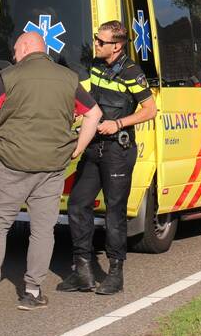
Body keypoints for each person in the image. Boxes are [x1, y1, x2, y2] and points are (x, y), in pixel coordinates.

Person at [0, 32, 102, 310]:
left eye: (15, 50)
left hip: (13, 163)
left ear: (26, 47)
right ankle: (33, 292)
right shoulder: (68, 78)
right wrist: (76, 148)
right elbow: (94, 114)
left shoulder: (11, 76)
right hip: (51, 166)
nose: (13, 55)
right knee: (42, 230)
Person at [59, 20, 157, 295]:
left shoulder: (131, 72)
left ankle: (115, 273)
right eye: (96, 39)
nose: (96, 44)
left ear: (116, 46)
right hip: (94, 146)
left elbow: (150, 109)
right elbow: (93, 97)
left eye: (101, 42)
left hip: (117, 150)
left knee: (115, 212)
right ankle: (83, 270)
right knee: (77, 205)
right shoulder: (96, 65)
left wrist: (119, 124)